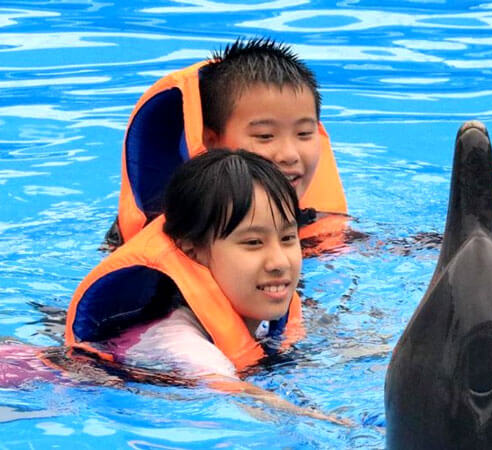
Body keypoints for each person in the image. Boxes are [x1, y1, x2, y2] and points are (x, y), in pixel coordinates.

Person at [65, 149, 345, 423]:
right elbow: (241, 400)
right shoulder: (181, 344)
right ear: (193, 248)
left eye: (287, 238)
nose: (279, 262)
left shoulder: (258, 309)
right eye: (253, 243)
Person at [106, 37, 347, 251]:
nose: (289, 154)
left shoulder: (317, 225)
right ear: (212, 142)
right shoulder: (177, 234)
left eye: (304, 133)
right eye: (265, 136)